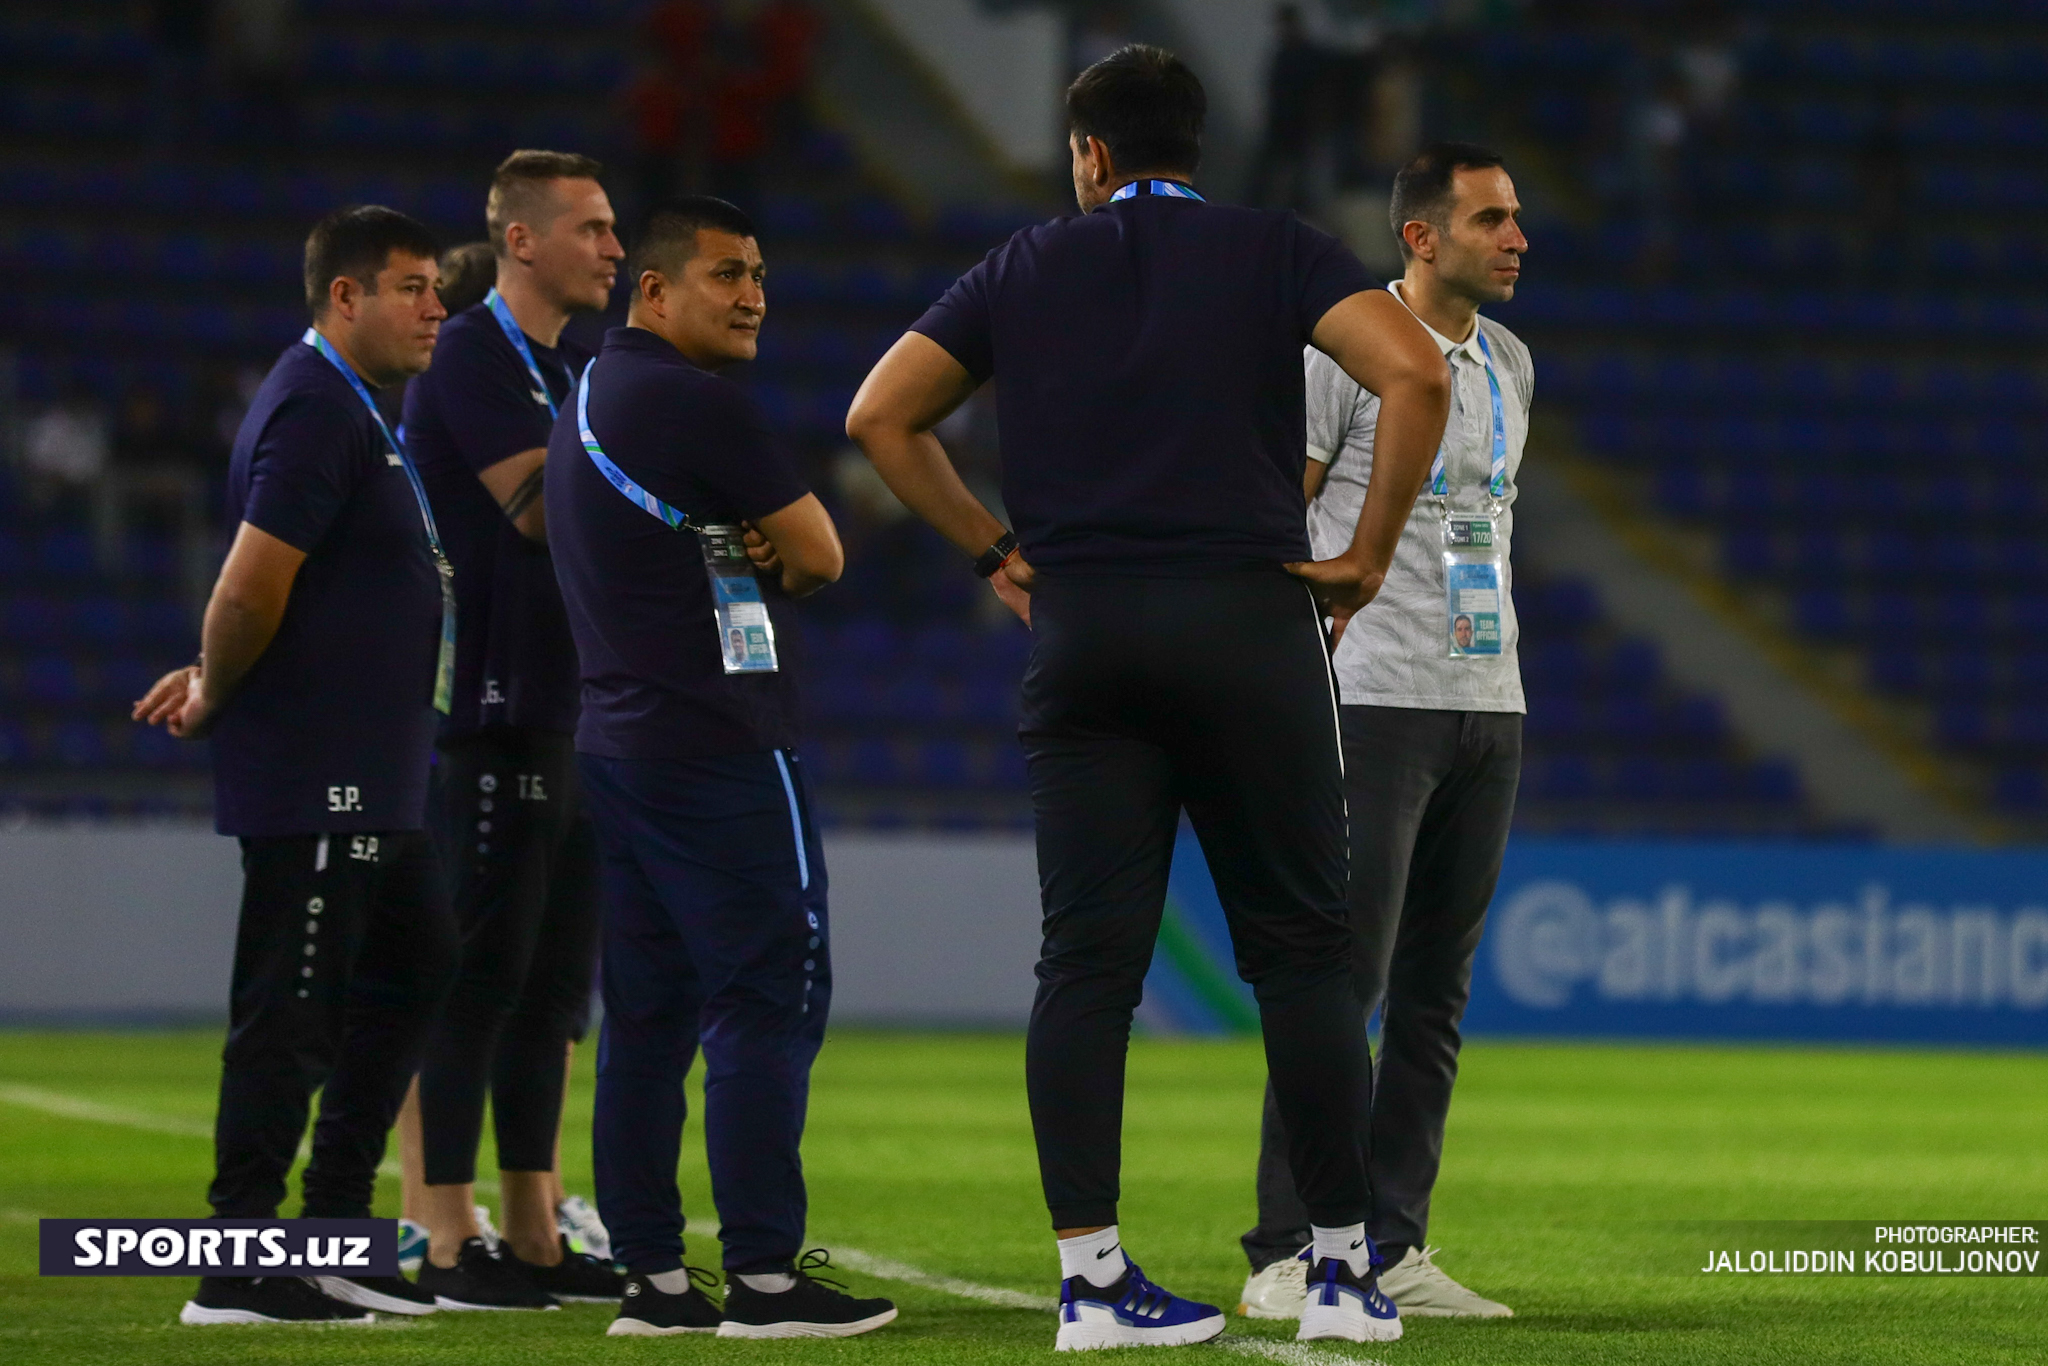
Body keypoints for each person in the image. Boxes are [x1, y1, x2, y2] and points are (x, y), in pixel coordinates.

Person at [845, 44, 1451, 1350]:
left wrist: (994, 552)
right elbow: (1417, 374)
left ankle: (1092, 1282)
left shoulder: (1020, 265)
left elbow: (882, 416)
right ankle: (1342, 1271)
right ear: (1194, 148)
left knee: (1085, 965)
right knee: (1300, 954)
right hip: (1248, 622)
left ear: (1090, 156)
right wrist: (1366, 555)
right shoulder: (1273, 247)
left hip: (1085, 632)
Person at [545, 197, 894, 1340]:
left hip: (619, 746)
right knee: (767, 994)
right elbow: (821, 552)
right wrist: (772, 555)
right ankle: (764, 1280)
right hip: (720, 746)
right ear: (653, 290)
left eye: (760, 274)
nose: (753, 296)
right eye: (726, 274)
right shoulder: (697, 404)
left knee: (644, 1017)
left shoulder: (590, 395)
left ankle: (650, 1279)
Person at [133, 204, 457, 1325]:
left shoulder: (356, 409)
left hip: (370, 770)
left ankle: (330, 1235)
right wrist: (217, 687)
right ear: (344, 298)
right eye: (411, 287)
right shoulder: (319, 407)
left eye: (434, 288)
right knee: (293, 1009)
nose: (435, 307)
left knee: (417, 961)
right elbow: (248, 582)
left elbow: (295, 585)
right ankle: (238, 1262)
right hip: (320, 768)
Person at [1237, 142, 1531, 1324]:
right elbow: (1283, 507)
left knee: (1432, 997)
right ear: (1420, 235)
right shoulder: (1339, 349)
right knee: (1335, 981)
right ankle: (1287, 1248)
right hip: (1367, 693)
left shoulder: (1508, 361)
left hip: (1487, 699)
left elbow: (1487, 525)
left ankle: (1394, 1243)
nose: (1517, 238)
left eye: (1516, 219)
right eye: (1492, 218)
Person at [397, 149, 628, 1310]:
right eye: (591, 228)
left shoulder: (570, 363)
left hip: (571, 704)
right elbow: (537, 509)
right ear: (523, 239)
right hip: (489, 710)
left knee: (552, 986)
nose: (614, 247)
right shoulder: (472, 353)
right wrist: (666, 500)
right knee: (479, 977)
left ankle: (534, 1227)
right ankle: (444, 1238)